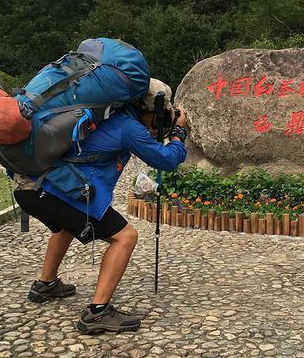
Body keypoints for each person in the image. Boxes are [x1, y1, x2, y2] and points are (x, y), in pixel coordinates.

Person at [13, 78, 188, 335]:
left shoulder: (105, 113)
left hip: (29, 187)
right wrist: (177, 134)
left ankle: (46, 284)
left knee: (67, 224)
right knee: (125, 237)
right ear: (152, 110)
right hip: (53, 193)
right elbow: (167, 160)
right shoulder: (128, 127)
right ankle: (97, 312)